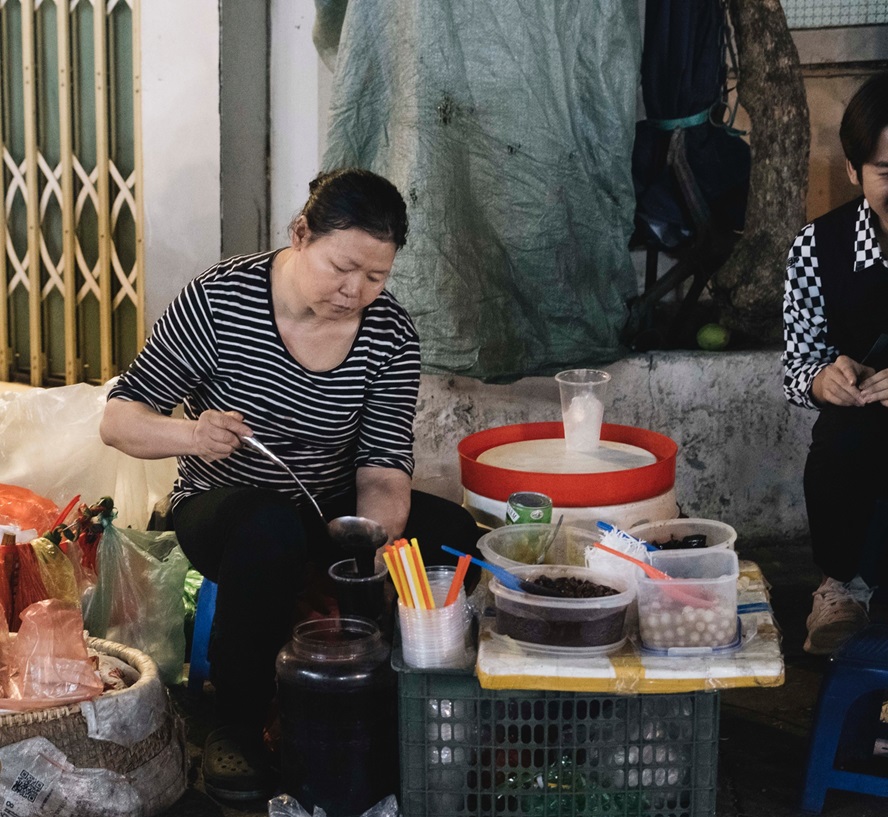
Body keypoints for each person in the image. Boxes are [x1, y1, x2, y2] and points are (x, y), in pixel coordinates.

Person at [100, 167, 483, 800]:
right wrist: (191, 435)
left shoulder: (390, 335)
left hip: (330, 502)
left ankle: (380, 700)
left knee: (450, 538)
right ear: (301, 233)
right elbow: (120, 418)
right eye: (342, 266)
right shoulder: (220, 302)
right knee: (268, 532)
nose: (355, 290)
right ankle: (238, 722)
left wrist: (378, 536)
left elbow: (383, 467)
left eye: (376, 276)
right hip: (224, 505)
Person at [782, 71, 888, 655]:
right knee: (842, 439)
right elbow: (799, 362)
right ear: (854, 170)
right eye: (887, 172)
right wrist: (823, 380)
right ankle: (842, 585)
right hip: (864, 428)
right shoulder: (817, 248)